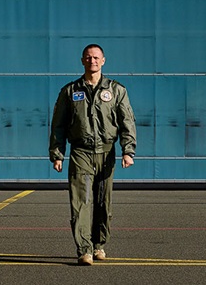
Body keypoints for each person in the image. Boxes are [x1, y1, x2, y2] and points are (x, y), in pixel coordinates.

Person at [48, 44, 136, 265]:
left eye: (96, 57)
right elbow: (58, 124)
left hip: (106, 153)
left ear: (103, 60)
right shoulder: (69, 91)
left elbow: (127, 121)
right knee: (81, 202)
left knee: (103, 202)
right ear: (82, 61)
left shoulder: (116, 90)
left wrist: (128, 150)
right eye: (88, 58)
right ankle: (84, 249)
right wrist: (57, 153)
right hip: (81, 153)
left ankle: (99, 245)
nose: (92, 61)